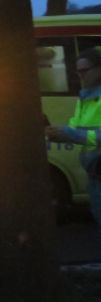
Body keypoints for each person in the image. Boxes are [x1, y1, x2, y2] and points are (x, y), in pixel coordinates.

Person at [46, 46, 101, 238]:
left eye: (84, 70)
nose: (80, 75)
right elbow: (76, 127)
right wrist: (58, 133)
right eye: (78, 71)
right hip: (95, 170)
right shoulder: (84, 96)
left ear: (99, 69)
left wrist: (71, 134)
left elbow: (79, 133)